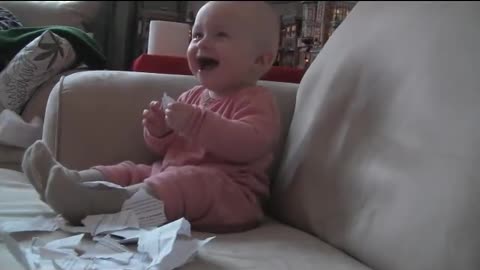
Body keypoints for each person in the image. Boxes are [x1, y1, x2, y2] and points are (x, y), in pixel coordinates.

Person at [21, 1, 281, 233]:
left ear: (260, 61)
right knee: (132, 170)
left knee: (183, 181)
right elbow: (168, 149)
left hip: (230, 195)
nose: (201, 43)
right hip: (171, 175)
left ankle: (98, 204)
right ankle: (75, 183)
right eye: (196, 35)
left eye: (220, 35)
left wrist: (194, 122)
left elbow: (250, 144)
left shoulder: (256, 99)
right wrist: (160, 132)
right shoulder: (192, 96)